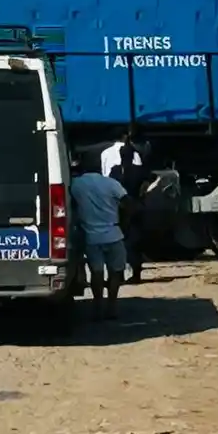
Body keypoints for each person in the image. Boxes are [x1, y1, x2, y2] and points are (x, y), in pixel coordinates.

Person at [68, 150, 129, 319]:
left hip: (91, 237)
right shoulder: (111, 183)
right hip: (114, 234)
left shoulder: (76, 185)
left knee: (96, 272)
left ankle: (97, 307)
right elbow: (128, 203)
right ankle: (112, 307)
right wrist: (124, 224)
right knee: (115, 272)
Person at [102, 131, 147, 285]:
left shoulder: (115, 171)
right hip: (135, 207)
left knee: (117, 242)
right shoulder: (138, 170)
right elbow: (147, 182)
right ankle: (136, 274)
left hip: (118, 209)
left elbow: (108, 186)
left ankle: (118, 274)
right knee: (135, 242)